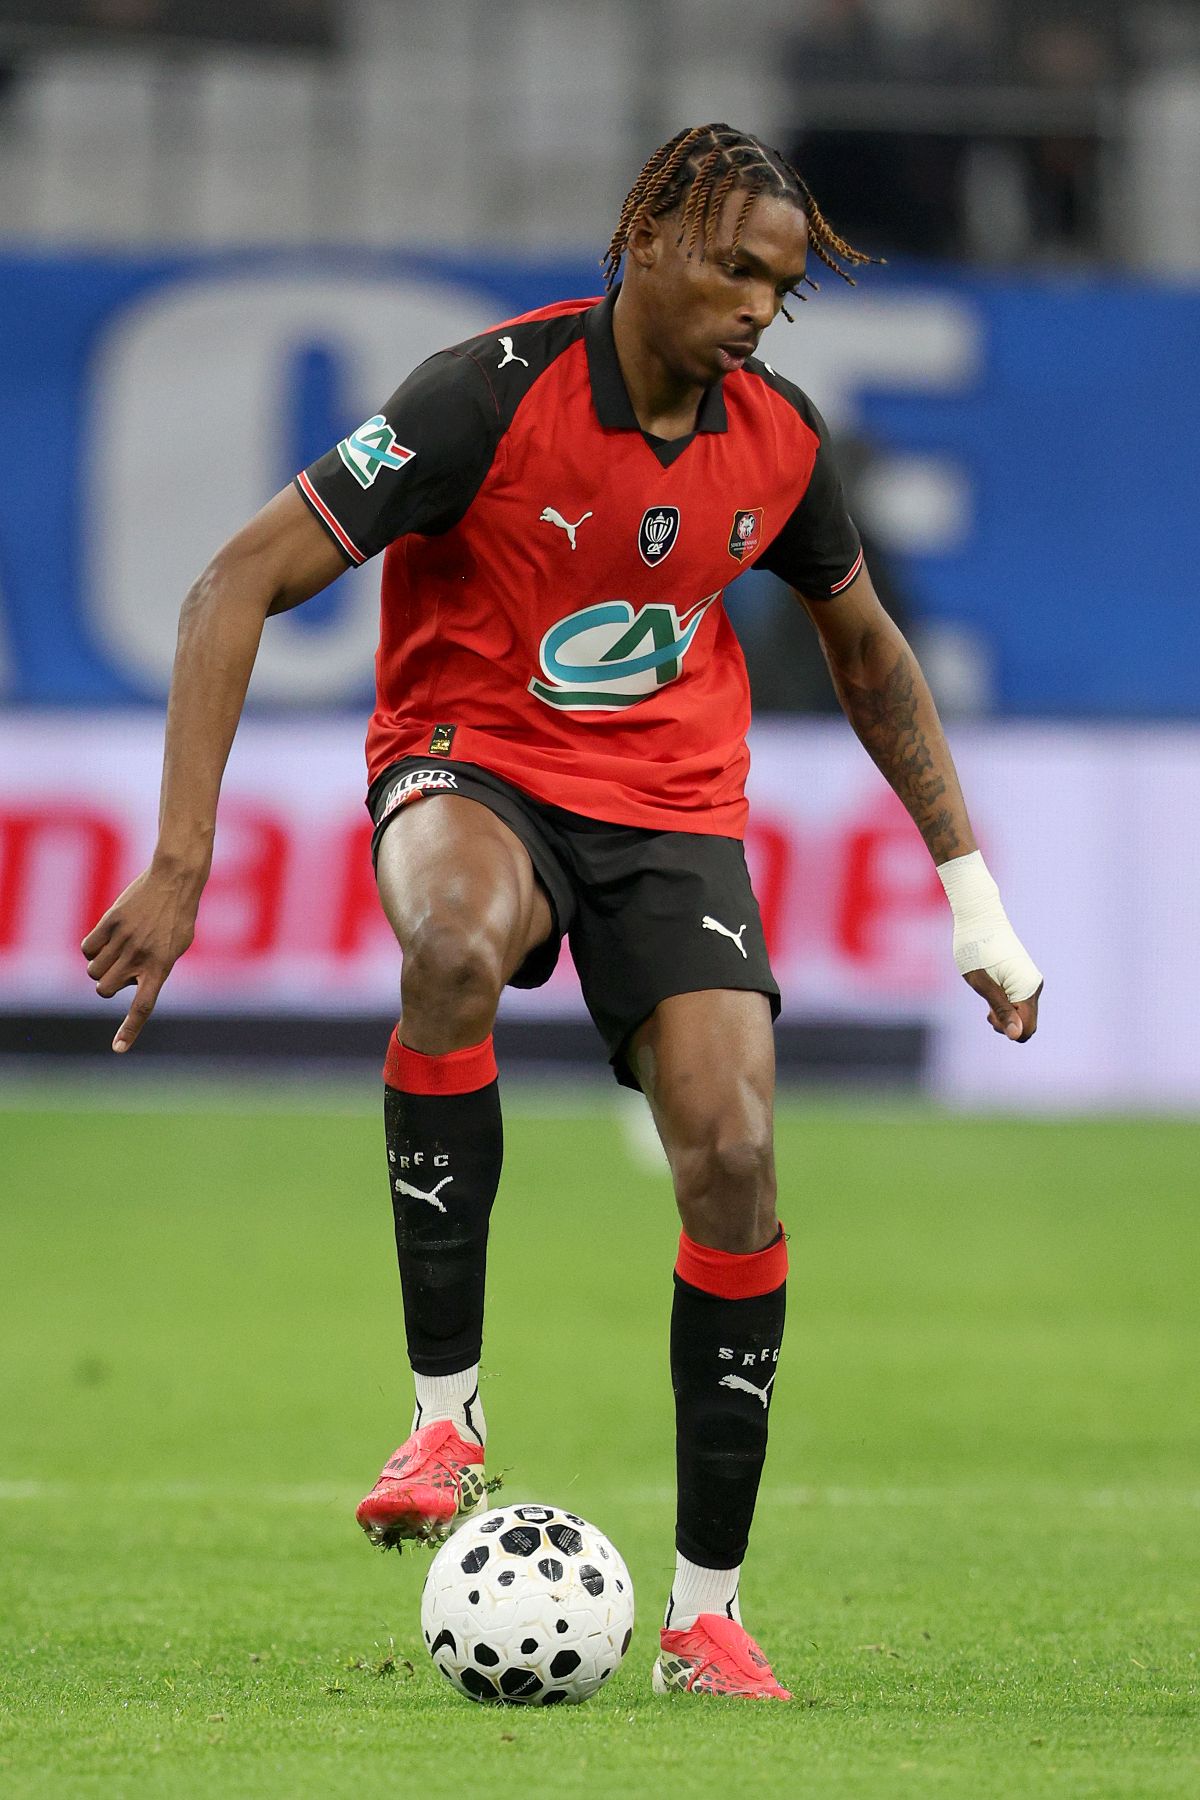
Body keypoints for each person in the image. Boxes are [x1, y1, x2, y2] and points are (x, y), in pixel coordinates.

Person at [81, 122, 1042, 1702]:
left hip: (671, 809)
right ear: (647, 236)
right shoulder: (483, 395)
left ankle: (705, 1618)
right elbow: (230, 584)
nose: (754, 306)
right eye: (733, 266)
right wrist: (181, 857)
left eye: (780, 288)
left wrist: (972, 893)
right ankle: (444, 1419)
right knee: (453, 941)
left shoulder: (782, 444)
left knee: (732, 1156)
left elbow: (868, 656)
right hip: (475, 761)